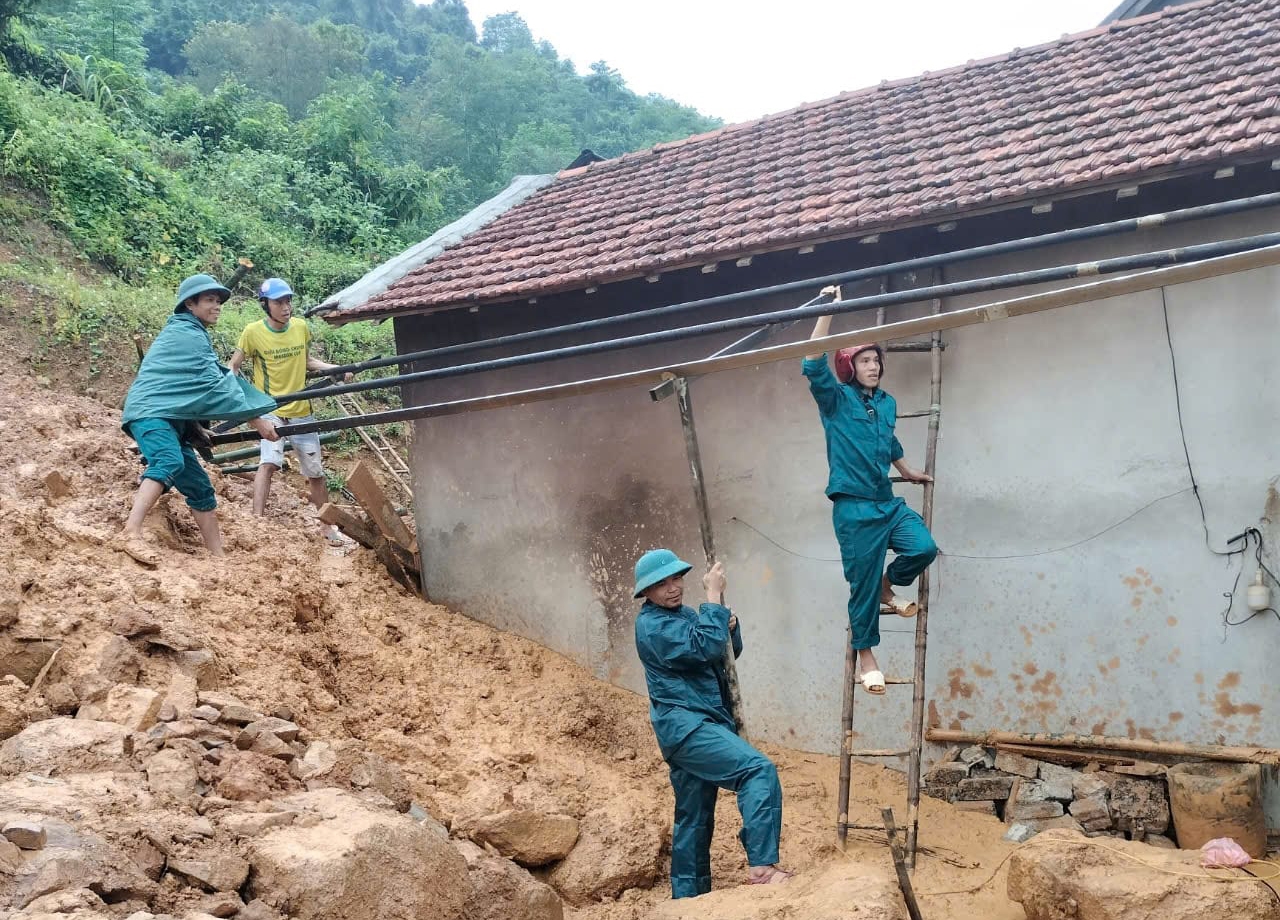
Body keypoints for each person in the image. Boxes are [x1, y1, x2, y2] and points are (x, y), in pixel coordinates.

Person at [632, 549, 791, 898]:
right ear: (645, 592)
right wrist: (714, 598)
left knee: (693, 815)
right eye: (661, 584)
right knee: (757, 770)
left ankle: (688, 897)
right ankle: (763, 867)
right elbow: (703, 646)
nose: (673, 588)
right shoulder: (651, 626)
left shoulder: (685, 615)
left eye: (676, 579)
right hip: (688, 728)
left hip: (699, 725)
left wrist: (729, 626)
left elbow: (722, 653)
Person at [803, 301, 937, 696]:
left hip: (887, 501)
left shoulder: (887, 402)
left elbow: (888, 439)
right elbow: (812, 363)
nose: (873, 366)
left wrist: (907, 469)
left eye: (876, 360)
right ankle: (867, 658)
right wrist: (827, 311)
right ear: (850, 367)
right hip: (854, 508)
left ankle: (887, 584)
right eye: (864, 360)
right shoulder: (835, 400)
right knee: (859, 588)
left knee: (924, 548)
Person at [118, 274, 279, 566]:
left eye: (218, 301)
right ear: (190, 304)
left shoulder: (191, 333)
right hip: (150, 414)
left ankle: (218, 557)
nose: (217, 306)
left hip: (169, 418)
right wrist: (257, 420)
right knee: (168, 461)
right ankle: (130, 532)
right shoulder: (186, 334)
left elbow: (184, 390)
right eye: (209, 300)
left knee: (199, 487)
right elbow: (212, 384)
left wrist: (193, 428)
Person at [228, 278, 352, 543]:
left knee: (315, 472)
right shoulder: (253, 332)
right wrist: (244, 400)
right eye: (278, 302)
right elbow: (233, 367)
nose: (285, 307)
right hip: (270, 408)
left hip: (301, 409)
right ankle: (257, 521)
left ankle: (326, 527)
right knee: (269, 462)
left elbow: (307, 360)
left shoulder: (300, 327)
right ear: (265, 305)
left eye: (288, 301)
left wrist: (335, 369)